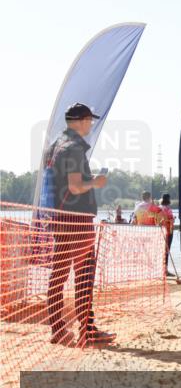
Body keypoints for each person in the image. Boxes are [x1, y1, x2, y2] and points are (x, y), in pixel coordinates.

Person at [43, 103, 116, 347]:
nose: (92, 125)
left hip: (59, 217)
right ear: (82, 120)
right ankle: (87, 331)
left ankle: (58, 329)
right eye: (90, 120)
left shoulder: (55, 146)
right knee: (84, 276)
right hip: (77, 221)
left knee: (58, 275)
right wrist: (97, 182)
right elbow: (75, 186)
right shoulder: (74, 147)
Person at [159, 194, 175, 268]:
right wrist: (173, 218)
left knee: (161, 250)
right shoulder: (168, 209)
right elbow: (171, 219)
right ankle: (165, 269)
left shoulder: (159, 208)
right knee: (166, 251)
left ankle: (161, 268)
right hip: (168, 231)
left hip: (160, 231)